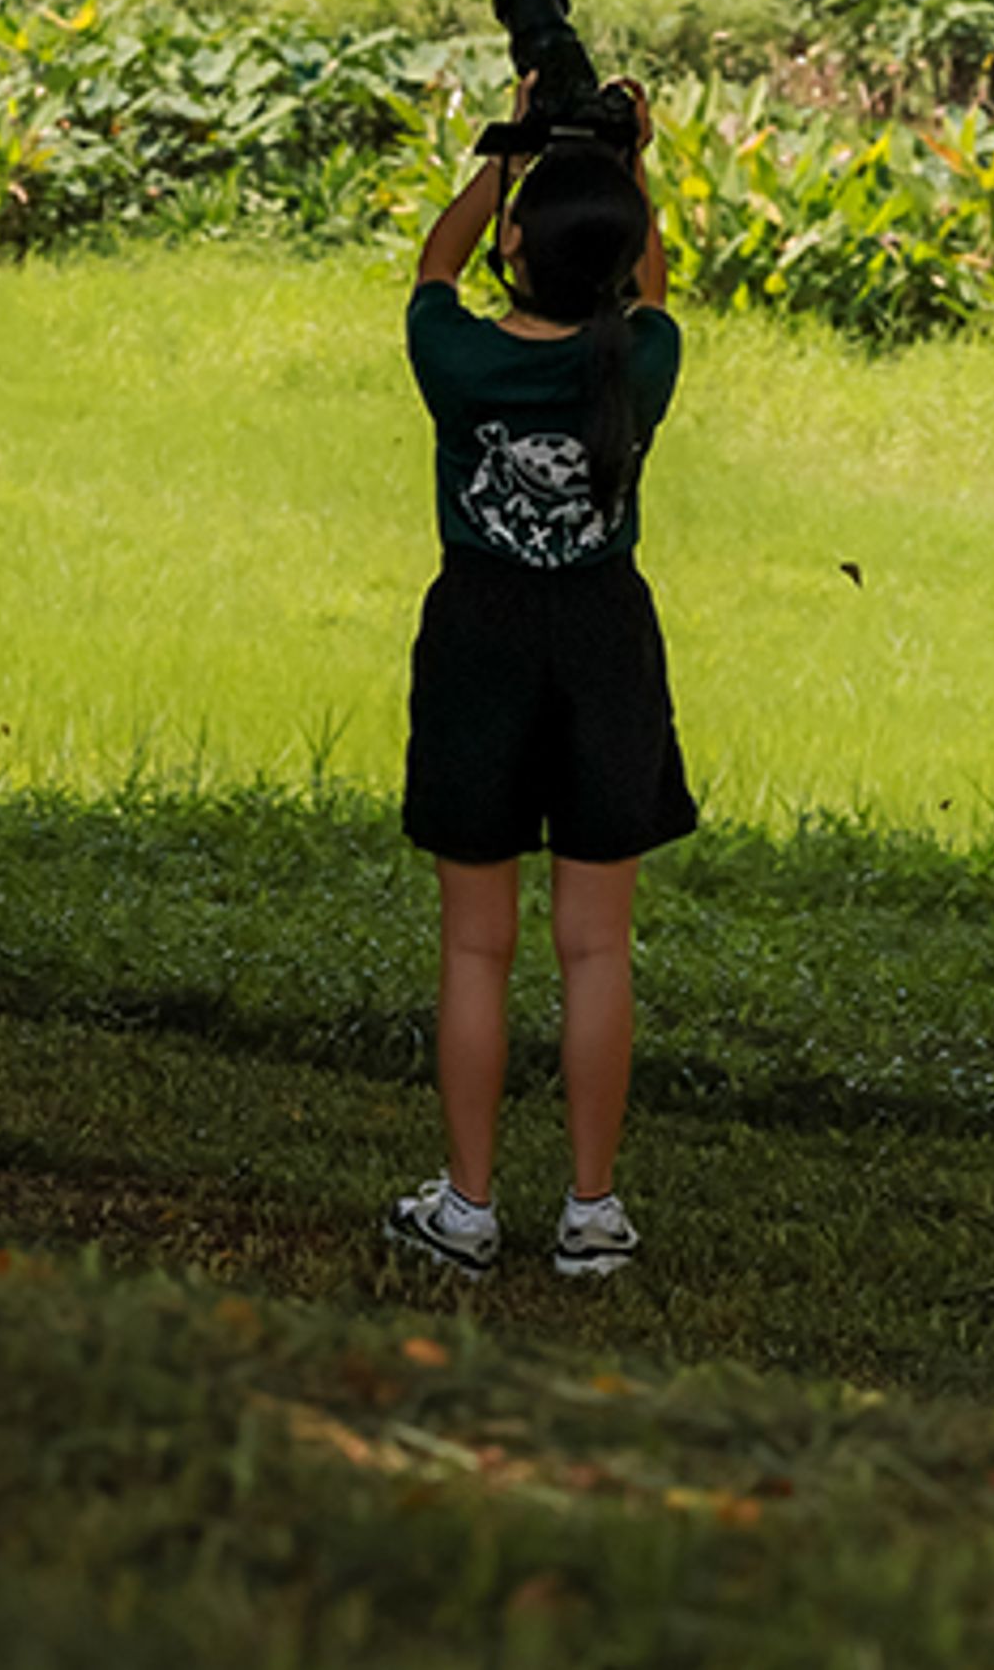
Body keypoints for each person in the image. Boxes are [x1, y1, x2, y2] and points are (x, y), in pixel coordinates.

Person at [385, 82, 692, 1282]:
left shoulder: (453, 356)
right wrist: (622, 164)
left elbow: (432, 266)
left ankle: (466, 1207)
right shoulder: (642, 358)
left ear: (517, 241)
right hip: (606, 644)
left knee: (477, 949)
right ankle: (592, 1211)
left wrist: (510, 156)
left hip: (482, 638)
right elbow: (644, 276)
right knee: (596, 949)